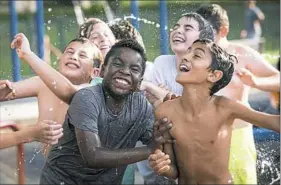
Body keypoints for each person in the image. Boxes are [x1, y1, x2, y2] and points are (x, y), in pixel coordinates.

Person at [148, 39, 280, 185]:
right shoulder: (164, 111)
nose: (185, 56)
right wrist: (162, 165)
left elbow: (274, 122)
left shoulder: (225, 108)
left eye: (197, 55)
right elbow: (173, 172)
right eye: (188, 51)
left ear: (213, 75)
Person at [39, 39, 170, 185]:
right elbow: (92, 156)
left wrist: (160, 149)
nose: (125, 71)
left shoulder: (141, 107)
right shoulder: (86, 98)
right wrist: (149, 150)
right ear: (102, 70)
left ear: (140, 81)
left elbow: (160, 143)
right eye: (118, 64)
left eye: (134, 69)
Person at [195, 4, 280, 184]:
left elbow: (278, 78)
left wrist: (257, 82)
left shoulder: (241, 55)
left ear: (223, 31)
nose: (202, 40)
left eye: (207, 35)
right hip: (203, 136)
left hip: (238, 135)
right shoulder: (196, 57)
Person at [1, 33, 103, 156]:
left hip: (82, 173)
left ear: (95, 72)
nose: (74, 57)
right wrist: (4, 90)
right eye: (69, 52)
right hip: (52, 171)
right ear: (60, 60)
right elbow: (9, 91)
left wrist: (28, 54)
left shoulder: (92, 92)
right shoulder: (42, 84)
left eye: (82, 55)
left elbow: (67, 90)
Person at [151, 12, 214, 96]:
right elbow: (154, 99)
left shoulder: (206, 70)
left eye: (187, 28)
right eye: (175, 27)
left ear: (202, 39)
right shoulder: (162, 62)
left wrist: (162, 93)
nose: (178, 31)